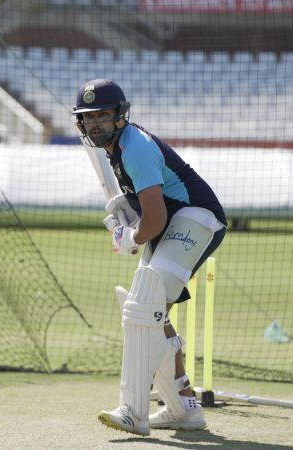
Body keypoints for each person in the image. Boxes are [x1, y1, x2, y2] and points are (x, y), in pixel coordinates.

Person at [73, 79, 227, 436]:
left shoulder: (135, 148)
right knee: (148, 314)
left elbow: (155, 220)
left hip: (196, 216)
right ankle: (185, 408)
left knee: (144, 307)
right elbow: (150, 212)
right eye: (88, 117)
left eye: (103, 115)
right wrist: (127, 219)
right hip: (172, 221)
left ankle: (133, 411)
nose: (95, 123)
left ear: (120, 117)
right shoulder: (114, 148)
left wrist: (131, 237)